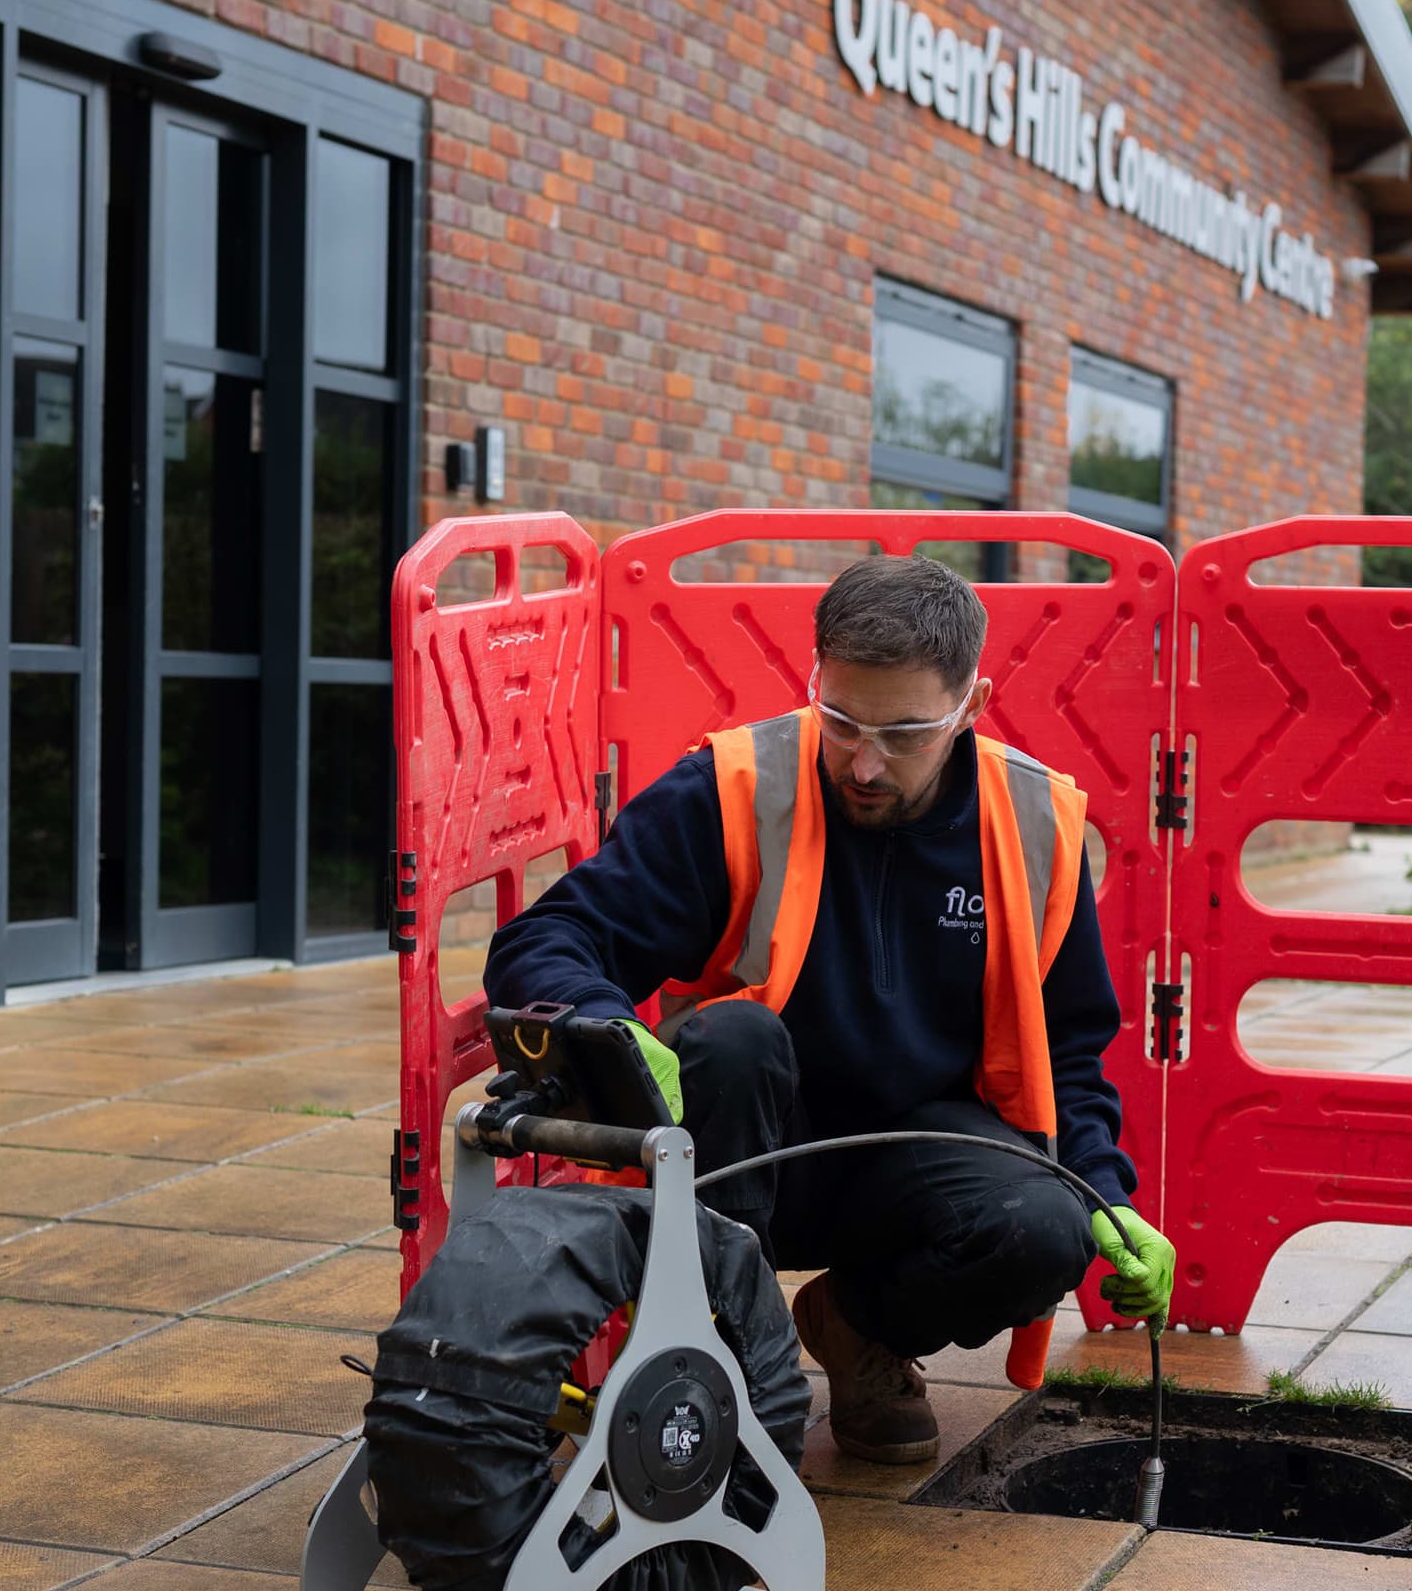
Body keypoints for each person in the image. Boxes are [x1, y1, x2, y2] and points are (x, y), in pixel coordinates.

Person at [484, 555, 1175, 1463]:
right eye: (841, 719)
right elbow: (550, 937)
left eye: (905, 732)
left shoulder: (1036, 822)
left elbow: (1069, 1051)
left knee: (1046, 1230)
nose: (863, 761)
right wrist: (604, 1022)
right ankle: (716, 1365)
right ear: (816, 676)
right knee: (731, 1037)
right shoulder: (737, 787)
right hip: (746, 1149)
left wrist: (1110, 1196)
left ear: (972, 705)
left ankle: (855, 1327)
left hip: (922, 1162)